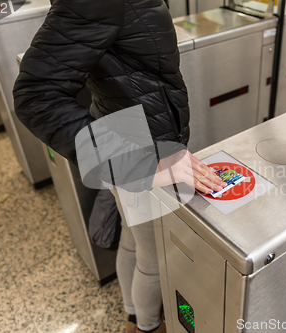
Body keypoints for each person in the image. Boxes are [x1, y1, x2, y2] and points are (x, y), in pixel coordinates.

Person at [13, 0, 226, 332]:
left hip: (126, 130)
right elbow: (36, 97)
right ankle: (147, 326)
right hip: (136, 146)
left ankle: (132, 314)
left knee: (134, 239)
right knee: (154, 258)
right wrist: (138, 163)